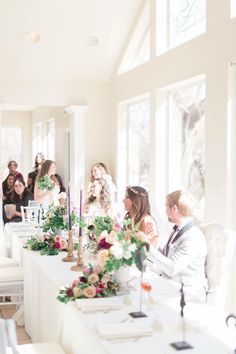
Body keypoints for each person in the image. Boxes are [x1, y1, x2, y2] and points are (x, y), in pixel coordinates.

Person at [147, 190, 208, 300]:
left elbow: (172, 268)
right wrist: (153, 243)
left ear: (174, 208)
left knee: (141, 294)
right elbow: (166, 256)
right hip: (172, 285)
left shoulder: (192, 237)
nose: (165, 211)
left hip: (188, 293)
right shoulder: (178, 229)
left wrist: (146, 247)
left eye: (167, 207)